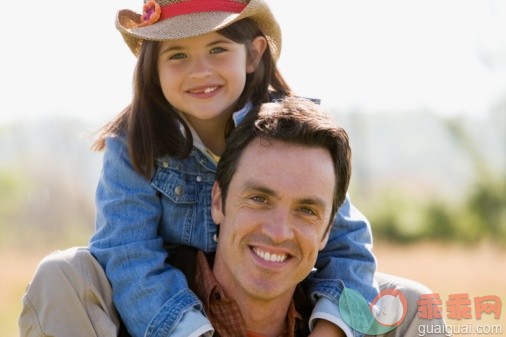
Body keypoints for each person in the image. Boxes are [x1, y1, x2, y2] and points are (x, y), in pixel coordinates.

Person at [19, 1, 378, 336]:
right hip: (167, 312)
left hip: (276, 299)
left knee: (405, 298)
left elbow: (347, 244)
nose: (200, 71)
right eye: (177, 54)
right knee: (63, 272)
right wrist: (188, 328)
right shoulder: (133, 144)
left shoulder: (294, 135)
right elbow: (127, 252)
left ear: (253, 54)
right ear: (152, 67)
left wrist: (332, 328)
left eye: (218, 49)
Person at [19, 97, 447, 337]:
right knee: (64, 272)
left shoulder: (378, 316)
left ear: (328, 229)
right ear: (218, 202)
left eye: (306, 210)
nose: (279, 232)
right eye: (259, 199)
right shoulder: (122, 305)